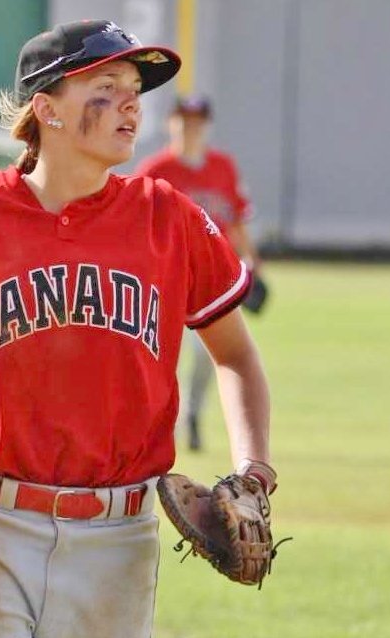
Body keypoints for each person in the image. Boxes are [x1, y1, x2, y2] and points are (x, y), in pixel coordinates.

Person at [0, 20, 276, 638]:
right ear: (47, 109)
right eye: (105, 86)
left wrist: (254, 466)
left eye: (135, 88)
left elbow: (237, 355)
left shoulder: (168, 218)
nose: (131, 103)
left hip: (119, 535)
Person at [134, 96, 263, 451]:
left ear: (207, 125)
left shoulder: (223, 167)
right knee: (158, 355)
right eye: (184, 120)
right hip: (165, 279)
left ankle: (191, 412)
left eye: (197, 121)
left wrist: (255, 267)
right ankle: (157, 423)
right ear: (171, 124)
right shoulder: (155, 169)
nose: (191, 127)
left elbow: (236, 221)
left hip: (212, 279)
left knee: (213, 352)